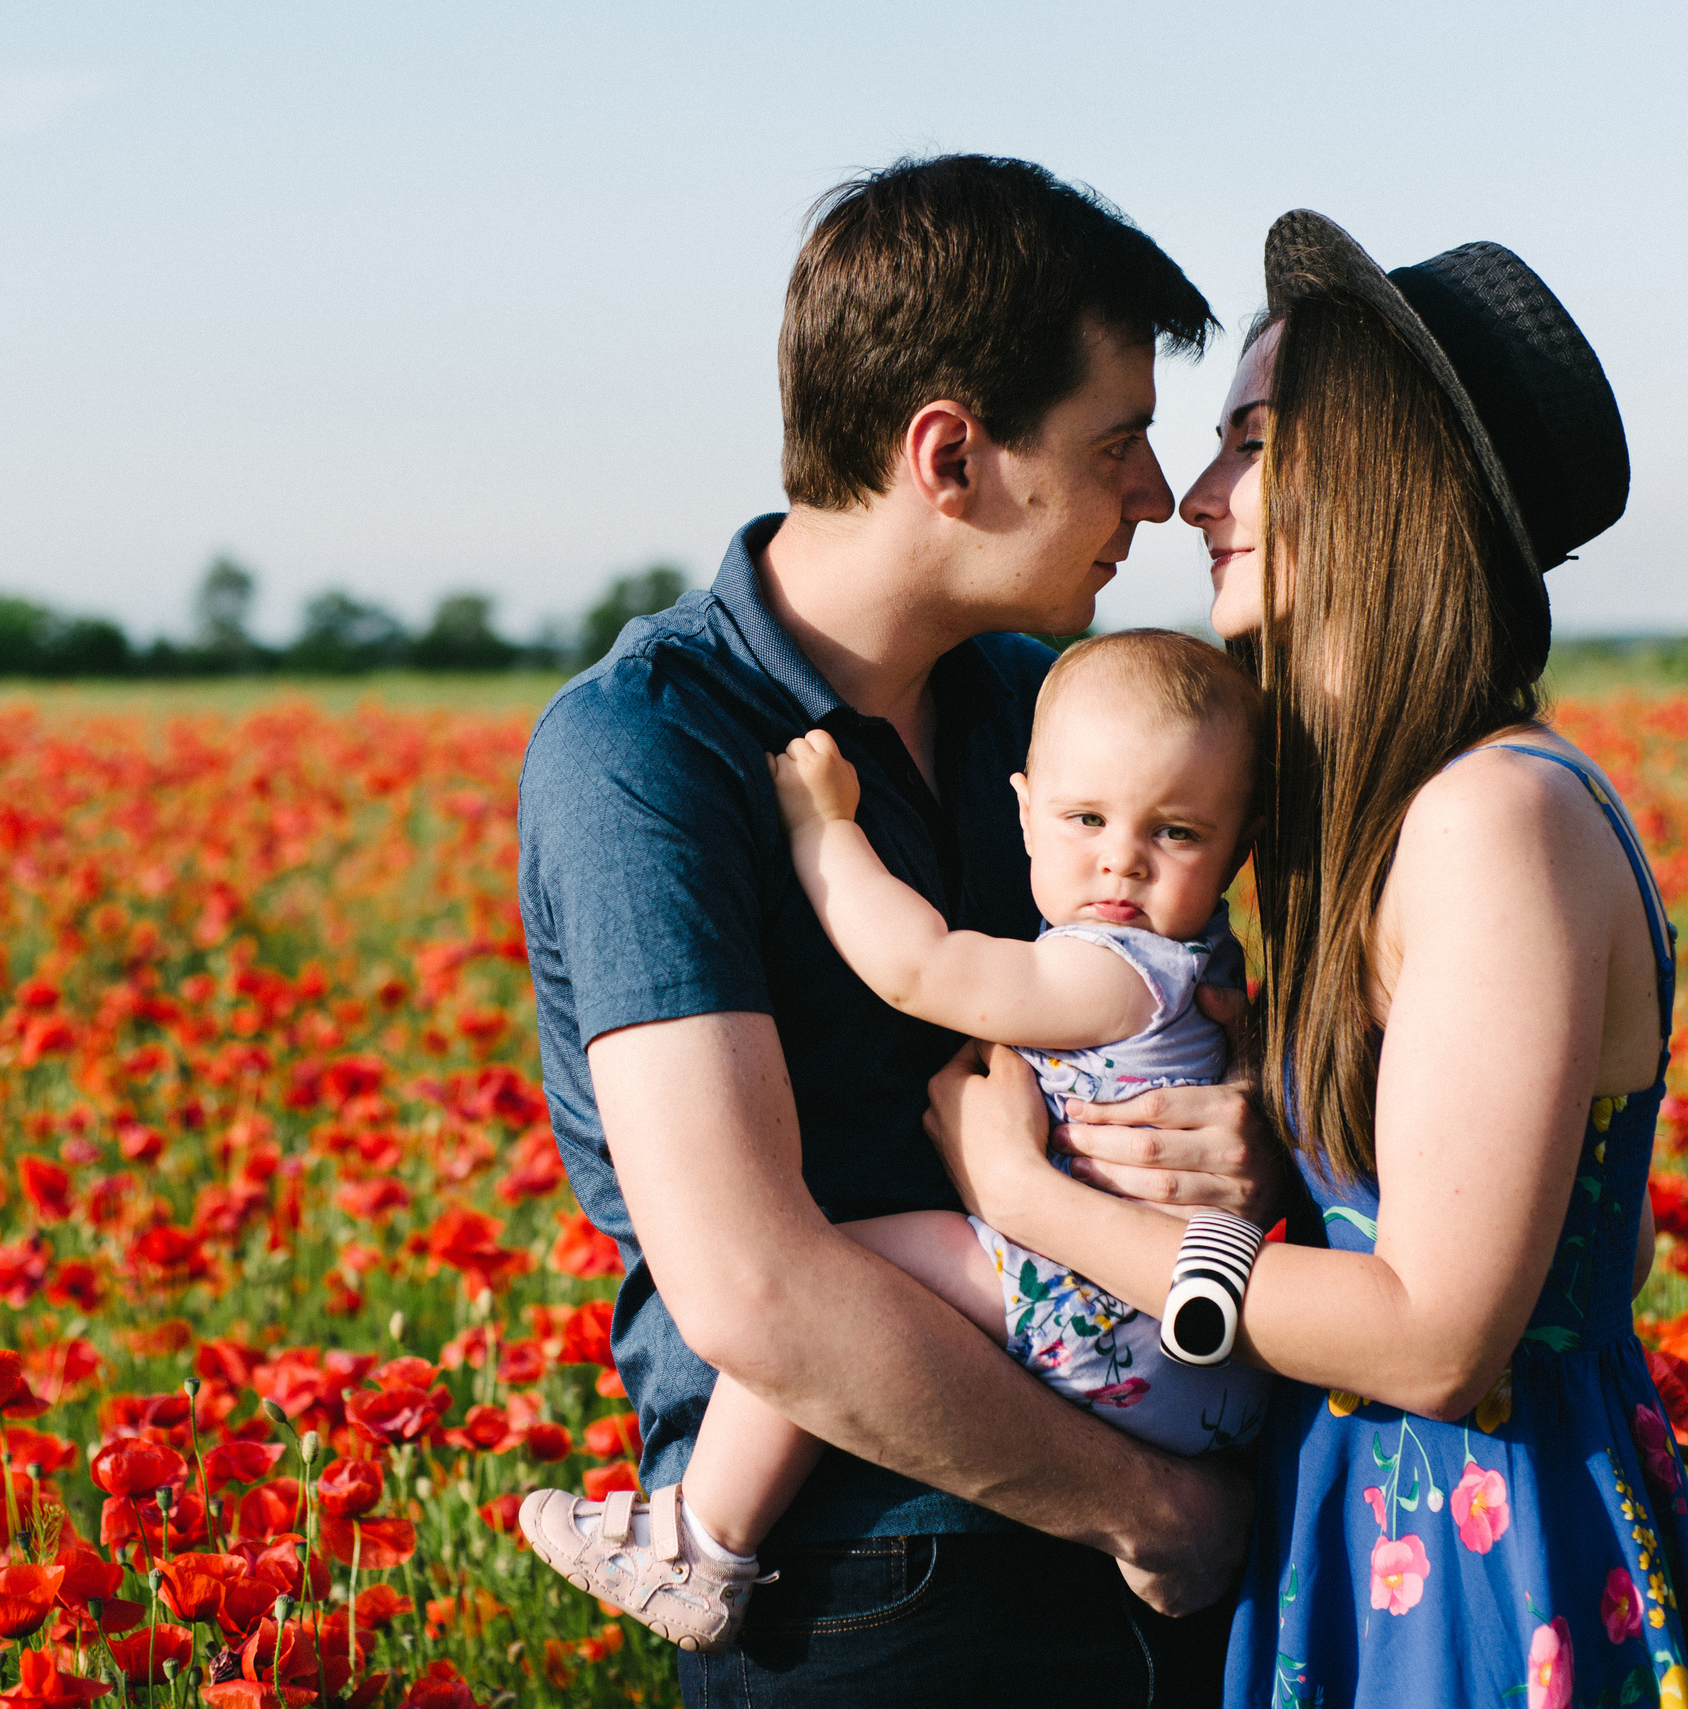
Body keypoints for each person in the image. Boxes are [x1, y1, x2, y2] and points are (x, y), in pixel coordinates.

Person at [924, 212, 1688, 1709]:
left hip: (1482, 1549)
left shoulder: (1493, 818)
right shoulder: (1385, 813)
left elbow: (1435, 1341)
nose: (1198, 496)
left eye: (1250, 443)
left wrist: (1030, 1201)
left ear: (1383, 473)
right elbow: (1591, 1246)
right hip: (1378, 1514)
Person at [515, 155, 1290, 1705]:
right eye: (1119, 441)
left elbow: (1179, 1029)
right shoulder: (650, 749)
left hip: (1159, 1497)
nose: (1158, 494)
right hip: (869, 1566)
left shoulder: (1045, 708)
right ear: (950, 455)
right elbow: (752, 1283)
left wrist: (1239, 1139)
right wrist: (1151, 1510)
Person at [520, 628, 1275, 1653]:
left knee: (827, 1274)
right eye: (1087, 819)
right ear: (1024, 809)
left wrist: (824, 827)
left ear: (1237, 845)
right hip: (1190, 1356)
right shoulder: (1200, 959)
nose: (1120, 858)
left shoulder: (1114, 967)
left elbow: (921, 968)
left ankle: (701, 1538)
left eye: (1174, 832)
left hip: (1108, 1314)